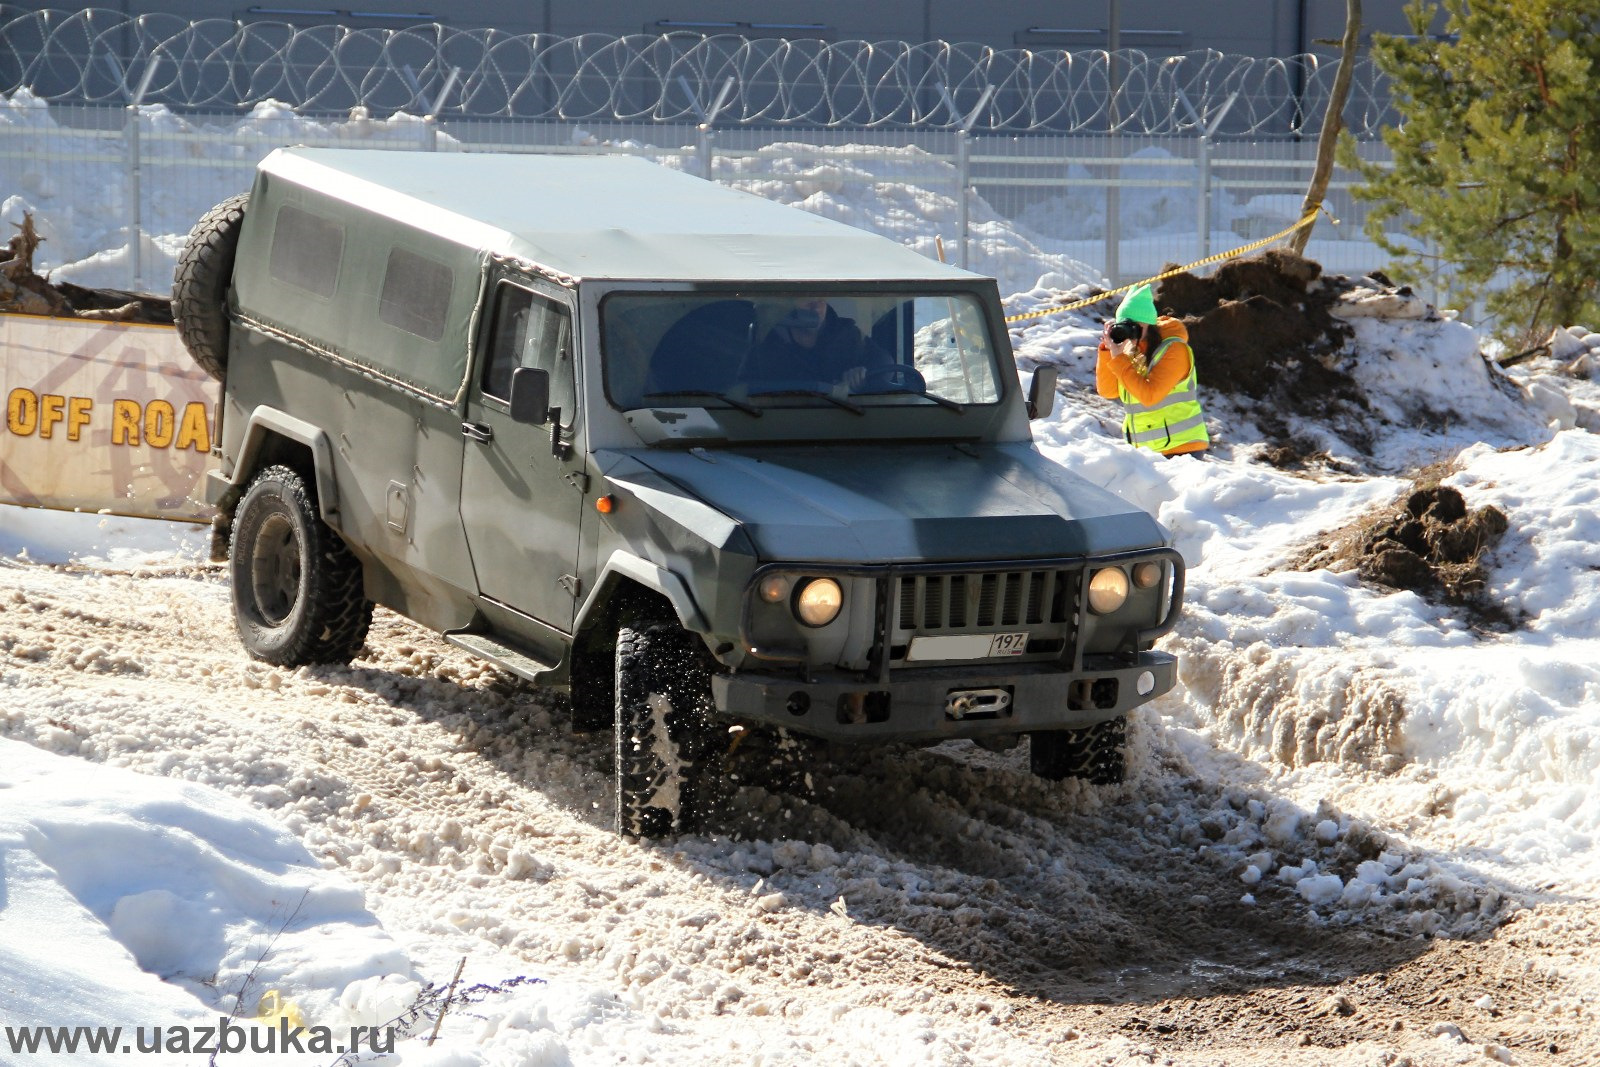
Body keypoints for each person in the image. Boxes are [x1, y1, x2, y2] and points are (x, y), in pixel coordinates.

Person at [1095, 283, 1209, 456]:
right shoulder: (1130, 352)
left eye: (1133, 325)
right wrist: (1107, 351)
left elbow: (1150, 396)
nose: (1128, 330)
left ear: (1148, 325)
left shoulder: (1173, 349)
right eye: (1124, 324)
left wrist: (1120, 359)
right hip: (1148, 451)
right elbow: (1108, 391)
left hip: (1182, 448)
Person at [746, 296, 892, 390]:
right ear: (788, 307)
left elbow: (885, 363)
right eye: (808, 300)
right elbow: (743, 389)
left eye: (821, 300)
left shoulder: (846, 335)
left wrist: (863, 376)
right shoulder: (767, 345)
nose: (816, 306)